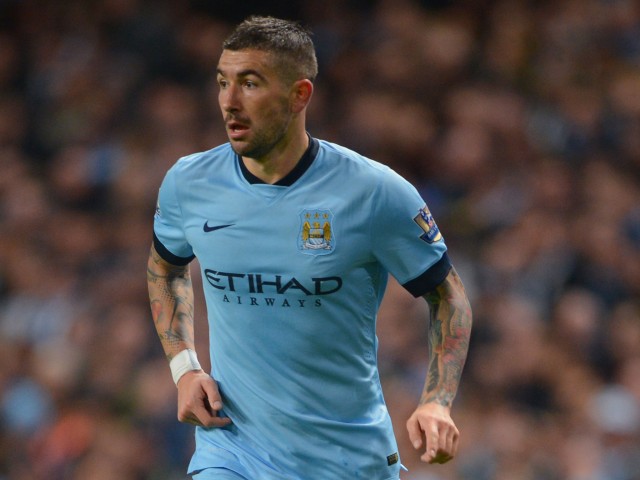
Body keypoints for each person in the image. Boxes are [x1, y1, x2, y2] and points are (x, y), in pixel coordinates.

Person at [146, 15, 472, 480]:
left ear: (300, 95)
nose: (229, 102)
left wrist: (437, 401)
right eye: (222, 82)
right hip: (233, 452)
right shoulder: (189, 183)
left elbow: (449, 297)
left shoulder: (374, 193)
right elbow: (164, 268)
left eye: (250, 84)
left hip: (347, 459)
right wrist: (185, 367)